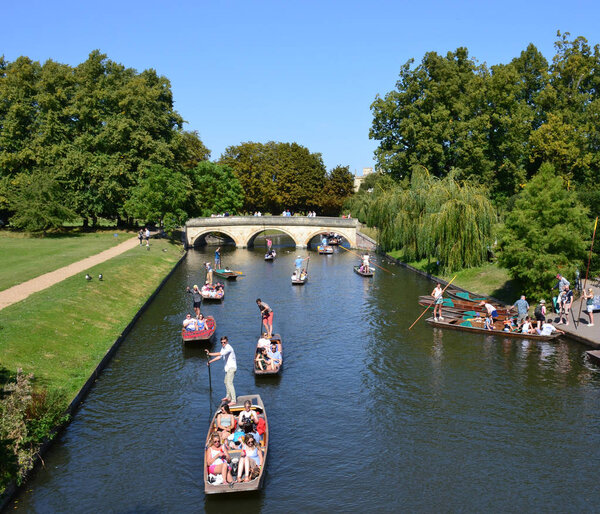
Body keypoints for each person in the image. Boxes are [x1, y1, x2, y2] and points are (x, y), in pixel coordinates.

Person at [206, 336, 237, 406]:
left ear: (227, 342)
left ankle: (233, 400)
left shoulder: (228, 348)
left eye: (224, 342)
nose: (223, 343)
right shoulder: (223, 348)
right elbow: (219, 357)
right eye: (222, 342)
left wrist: (209, 353)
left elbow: (220, 354)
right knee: (226, 382)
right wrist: (210, 361)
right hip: (228, 368)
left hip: (232, 368)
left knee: (229, 383)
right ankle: (228, 397)